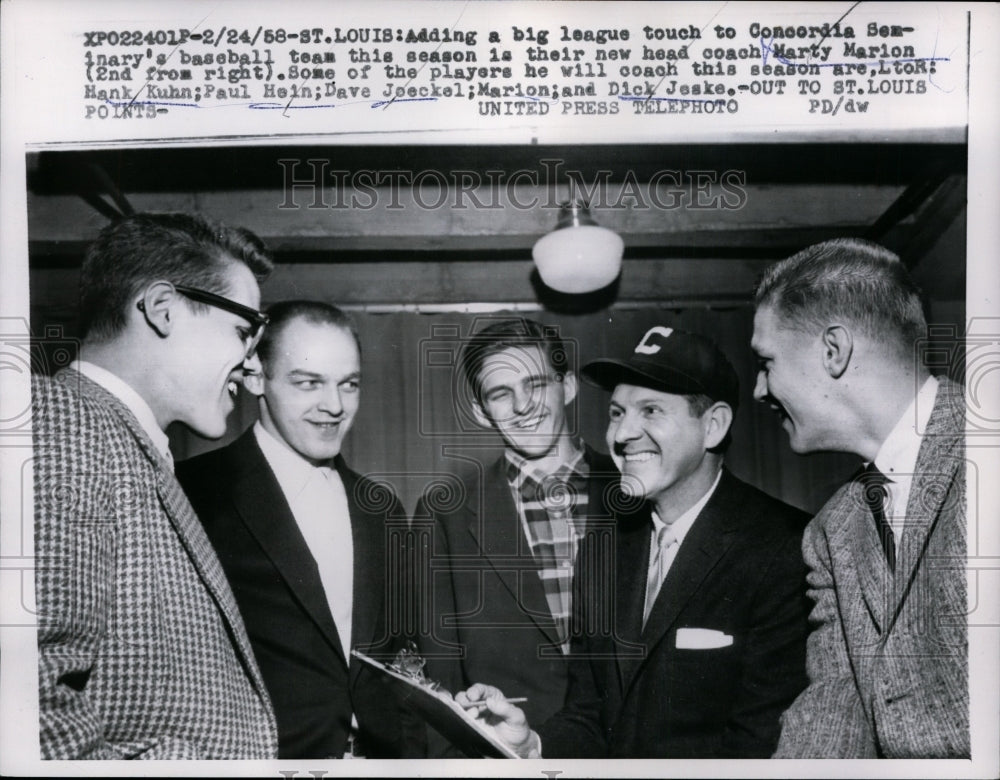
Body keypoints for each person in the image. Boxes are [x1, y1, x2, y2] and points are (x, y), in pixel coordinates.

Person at [457, 325, 811, 758]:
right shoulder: (603, 548)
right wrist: (532, 744)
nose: (623, 435)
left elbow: (763, 748)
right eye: (617, 413)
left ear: (713, 426)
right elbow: (591, 715)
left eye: (651, 411)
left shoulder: (787, 549)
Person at [32, 212, 278, 759]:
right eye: (244, 332)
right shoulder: (60, 421)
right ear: (163, 310)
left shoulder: (121, 445)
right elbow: (28, 703)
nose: (254, 367)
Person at [749, 238, 968, 758]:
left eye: (767, 361)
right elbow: (834, 708)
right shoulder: (832, 531)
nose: (759, 390)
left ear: (833, 351)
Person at [177, 301, 424, 759]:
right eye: (309, 383)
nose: (333, 406)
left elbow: (397, 661)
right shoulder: (193, 492)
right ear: (255, 378)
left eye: (348, 385)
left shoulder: (381, 508)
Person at [413, 319, 620, 750]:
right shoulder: (444, 513)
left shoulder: (635, 492)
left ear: (567, 386)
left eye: (536, 384)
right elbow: (439, 685)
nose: (523, 406)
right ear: (480, 410)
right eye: (500, 393)